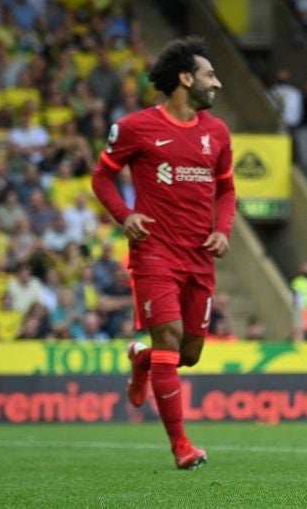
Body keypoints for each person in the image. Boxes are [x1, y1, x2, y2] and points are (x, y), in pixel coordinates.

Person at [91, 37, 235, 470]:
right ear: (185, 79)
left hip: (199, 257)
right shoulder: (136, 128)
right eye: (210, 75)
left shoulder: (217, 133)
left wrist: (222, 231)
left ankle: (141, 359)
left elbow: (227, 189)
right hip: (153, 252)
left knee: (188, 353)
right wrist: (124, 216)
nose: (218, 84)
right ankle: (182, 447)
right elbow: (102, 177)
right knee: (169, 339)